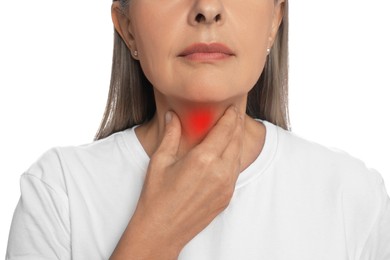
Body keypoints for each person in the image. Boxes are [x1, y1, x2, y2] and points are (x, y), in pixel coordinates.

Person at [5, 0, 390, 259]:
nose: (207, 8)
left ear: (275, 20)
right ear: (128, 29)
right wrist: (155, 235)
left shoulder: (353, 195)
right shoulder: (59, 195)